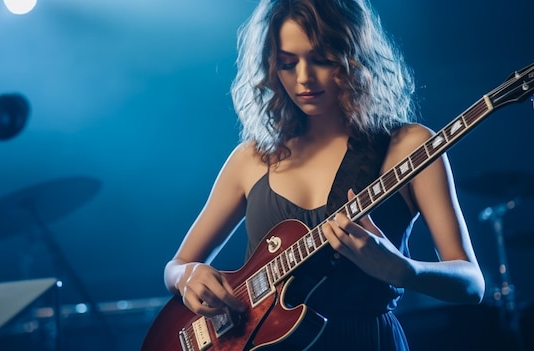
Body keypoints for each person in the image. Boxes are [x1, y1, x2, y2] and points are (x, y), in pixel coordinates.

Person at [162, 0, 486, 349]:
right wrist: (186, 276)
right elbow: (177, 265)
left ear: (354, 55)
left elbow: (472, 284)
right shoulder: (251, 159)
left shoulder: (408, 145)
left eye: (322, 59)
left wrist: (404, 270)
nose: (303, 78)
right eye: (288, 63)